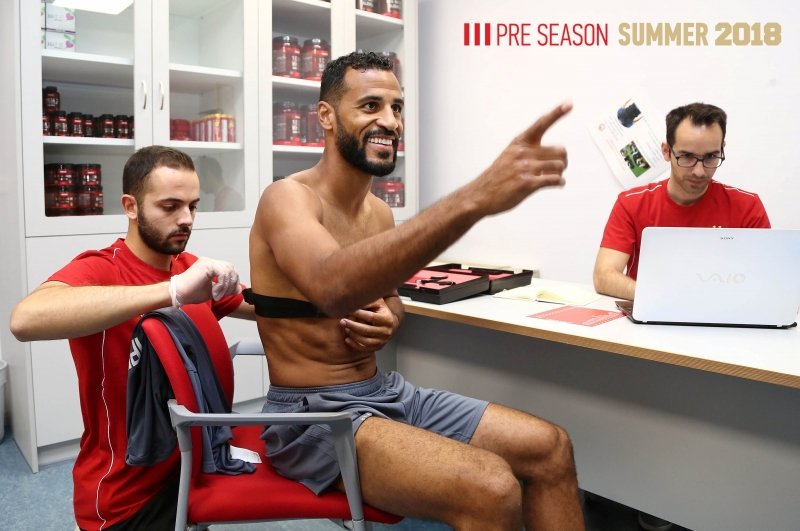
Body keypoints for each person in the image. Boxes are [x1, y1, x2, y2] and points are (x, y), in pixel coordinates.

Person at [248, 51, 584, 530]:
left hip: (383, 392)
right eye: (370, 106)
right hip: (309, 415)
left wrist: (392, 316)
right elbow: (332, 285)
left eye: (397, 108)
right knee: (492, 486)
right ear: (326, 116)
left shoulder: (378, 213)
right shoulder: (286, 198)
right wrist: (475, 198)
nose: (390, 121)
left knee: (551, 447)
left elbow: (390, 299)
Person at [9, 146, 396, 531]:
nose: (186, 219)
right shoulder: (103, 268)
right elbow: (25, 320)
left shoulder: (188, 267)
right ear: (131, 207)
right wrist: (172, 291)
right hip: (126, 495)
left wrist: (348, 303)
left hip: (193, 458)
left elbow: (269, 307)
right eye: (170, 206)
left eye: (193, 206)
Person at [593, 102, 771, 301]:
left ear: (722, 149)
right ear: (666, 151)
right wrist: (670, 300)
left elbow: (768, 281)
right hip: (653, 311)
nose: (699, 171)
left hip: (725, 313)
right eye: (687, 156)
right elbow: (604, 276)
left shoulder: (747, 206)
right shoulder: (631, 204)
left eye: (711, 157)